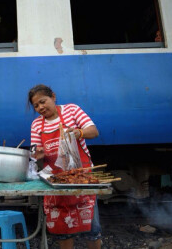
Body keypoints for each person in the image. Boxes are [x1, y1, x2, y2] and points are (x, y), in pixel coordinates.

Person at [28, 84, 101, 249]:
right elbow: (34, 153)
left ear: (53, 97)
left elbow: (94, 131)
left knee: (92, 227)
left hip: (81, 176)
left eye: (43, 101)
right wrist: (37, 154)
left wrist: (79, 132)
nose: (40, 107)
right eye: (36, 106)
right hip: (56, 180)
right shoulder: (37, 125)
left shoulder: (72, 111)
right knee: (63, 228)